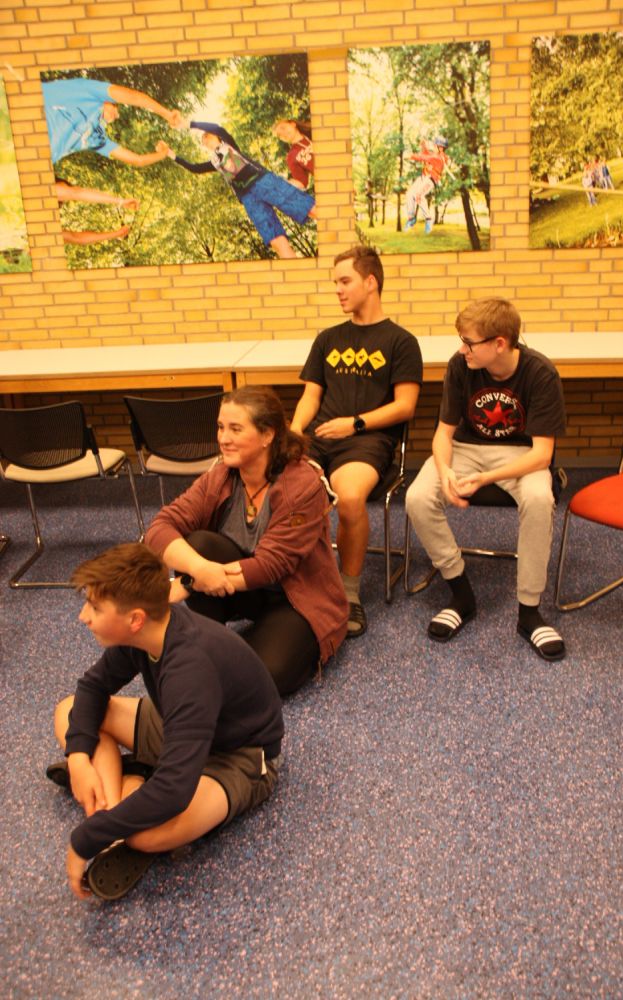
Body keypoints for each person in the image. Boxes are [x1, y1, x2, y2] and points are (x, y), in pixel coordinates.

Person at [47, 542, 284, 901]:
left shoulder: (189, 669)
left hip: (239, 757)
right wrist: (78, 758)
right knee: (69, 711)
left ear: (135, 619)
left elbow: (174, 789)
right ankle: (116, 803)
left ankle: (127, 793)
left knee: (145, 836)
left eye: (94, 607)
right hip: (180, 726)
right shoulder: (145, 631)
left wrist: (85, 840)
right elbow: (93, 687)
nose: (83, 617)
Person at [145, 386, 348, 696]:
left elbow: (271, 566)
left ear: (267, 435)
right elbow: (159, 529)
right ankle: (204, 641)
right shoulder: (222, 475)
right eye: (221, 427)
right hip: (243, 590)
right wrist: (199, 569)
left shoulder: (302, 483)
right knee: (199, 545)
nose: (223, 438)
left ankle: (271, 645)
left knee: (263, 679)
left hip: (295, 599)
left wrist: (190, 582)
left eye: (236, 429)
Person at [405, 298, 567, 662]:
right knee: (417, 497)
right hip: (465, 449)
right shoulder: (460, 365)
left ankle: (529, 612)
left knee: (539, 499)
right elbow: (443, 434)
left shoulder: (540, 373)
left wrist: (485, 478)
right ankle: (461, 595)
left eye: (469, 342)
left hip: (521, 454)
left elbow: (542, 455)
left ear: (499, 343)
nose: (462, 349)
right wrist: (445, 471)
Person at [290, 245, 423, 637]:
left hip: (368, 440)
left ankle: (348, 593)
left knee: (349, 498)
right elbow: (311, 396)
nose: (338, 290)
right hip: (321, 437)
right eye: (336, 282)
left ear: (371, 282)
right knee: (285, 490)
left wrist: (355, 424)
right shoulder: (328, 338)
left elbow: (405, 406)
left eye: (345, 281)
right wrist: (295, 431)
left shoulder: (401, 341)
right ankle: (294, 581)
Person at [164, 120, 317, 259]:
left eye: (207, 136)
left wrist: (188, 124)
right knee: (275, 240)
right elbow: (195, 168)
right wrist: (171, 154)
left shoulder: (228, 144)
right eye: (203, 140)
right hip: (248, 197)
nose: (205, 140)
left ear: (216, 136)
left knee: (308, 208)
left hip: (262, 181)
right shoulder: (214, 162)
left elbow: (216, 127)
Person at [40, 77, 179, 167]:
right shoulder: (86, 90)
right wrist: (167, 114)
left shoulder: (97, 138)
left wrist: (164, 153)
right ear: (106, 100)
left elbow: (138, 160)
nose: (117, 116)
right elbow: (134, 97)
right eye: (116, 107)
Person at [404, 136, 454, 235]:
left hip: (430, 180)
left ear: (440, 148)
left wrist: (411, 156)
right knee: (409, 194)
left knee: (418, 195)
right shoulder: (435, 155)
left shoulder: (439, 158)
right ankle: (411, 218)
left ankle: (428, 219)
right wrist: (423, 145)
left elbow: (424, 157)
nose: (433, 146)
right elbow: (426, 154)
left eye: (435, 145)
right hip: (423, 177)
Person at [272, 119, 314, 190]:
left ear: (293, 124)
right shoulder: (291, 156)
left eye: (283, 128)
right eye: (279, 135)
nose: (283, 133)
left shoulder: (315, 130)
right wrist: (284, 184)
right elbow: (302, 183)